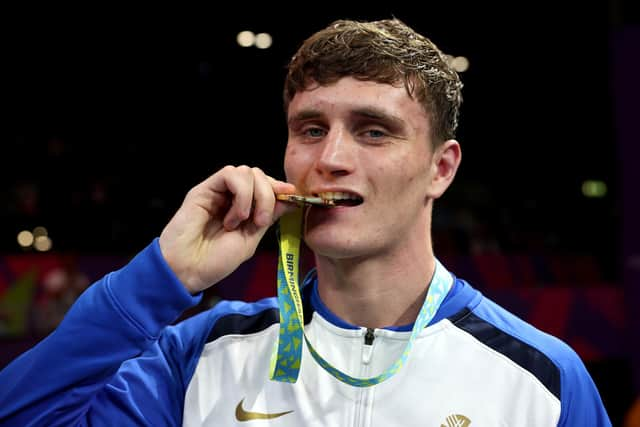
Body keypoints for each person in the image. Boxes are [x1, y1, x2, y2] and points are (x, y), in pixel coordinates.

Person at [0, 18, 611, 426]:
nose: (331, 159)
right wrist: (162, 275)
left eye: (374, 131)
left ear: (440, 170)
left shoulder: (542, 380)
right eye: (311, 130)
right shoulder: (200, 355)